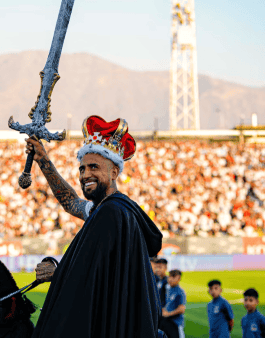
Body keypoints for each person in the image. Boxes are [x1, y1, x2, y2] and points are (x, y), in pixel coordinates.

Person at [27, 115, 164, 337]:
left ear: (113, 173)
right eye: (82, 169)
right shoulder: (107, 209)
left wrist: (57, 271)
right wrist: (43, 160)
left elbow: (88, 275)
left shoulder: (112, 213)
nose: (85, 174)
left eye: (93, 167)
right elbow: (71, 202)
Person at [161, 270, 186, 338]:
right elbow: (168, 304)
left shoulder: (180, 292)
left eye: (173, 277)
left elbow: (181, 309)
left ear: (179, 279)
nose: (170, 279)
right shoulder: (169, 289)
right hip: (167, 322)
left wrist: (168, 314)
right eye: (169, 276)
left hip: (176, 323)